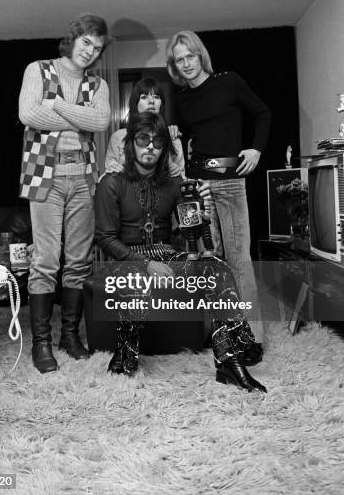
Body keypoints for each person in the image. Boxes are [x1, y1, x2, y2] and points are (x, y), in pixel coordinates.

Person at [95, 111, 267, 393]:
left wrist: (201, 216)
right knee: (135, 280)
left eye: (158, 141)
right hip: (126, 257)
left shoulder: (174, 184)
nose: (150, 146)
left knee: (218, 269)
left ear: (164, 147)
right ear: (130, 143)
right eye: (142, 139)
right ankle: (126, 355)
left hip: (166, 253)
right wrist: (146, 264)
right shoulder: (111, 183)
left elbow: (185, 231)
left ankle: (229, 361)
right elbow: (104, 239)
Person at [166, 31, 271, 357]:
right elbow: (180, 137)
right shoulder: (181, 98)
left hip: (229, 183)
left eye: (190, 56)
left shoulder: (229, 82)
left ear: (200, 56)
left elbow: (262, 113)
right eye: (179, 59)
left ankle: (251, 337)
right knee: (210, 263)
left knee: (239, 260)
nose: (186, 64)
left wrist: (255, 149)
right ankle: (222, 334)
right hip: (199, 187)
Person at [19, 13, 111, 373]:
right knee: (45, 260)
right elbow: (29, 115)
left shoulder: (98, 86)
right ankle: (41, 344)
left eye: (97, 47)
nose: (90, 51)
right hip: (45, 175)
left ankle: (69, 336)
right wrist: (79, 116)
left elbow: (100, 123)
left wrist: (55, 105)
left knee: (78, 262)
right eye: (86, 41)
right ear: (73, 38)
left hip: (84, 177)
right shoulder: (37, 70)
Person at [105, 77, 184, 177]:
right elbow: (107, 174)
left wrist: (177, 171)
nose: (151, 101)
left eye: (156, 96)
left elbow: (182, 180)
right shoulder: (119, 136)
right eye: (144, 97)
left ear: (161, 103)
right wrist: (113, 167)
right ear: (135, 103)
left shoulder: (172, 137)